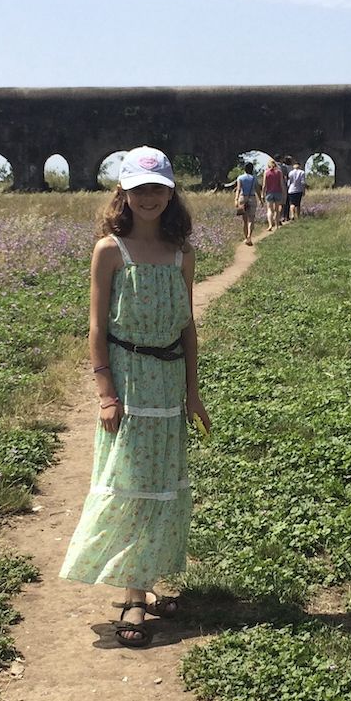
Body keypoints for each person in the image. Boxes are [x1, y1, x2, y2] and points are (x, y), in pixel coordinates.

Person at [58, 145, 212, 649]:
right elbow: (97, 327)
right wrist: (105, 391)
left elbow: (187, 327)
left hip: (168, 385)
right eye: (140, 188)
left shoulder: (181, 253)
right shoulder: (110, 250)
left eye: (159, 189)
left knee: (163, 483)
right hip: (128, 382)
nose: (149, 197)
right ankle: (133, 595)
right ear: (123, 191)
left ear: (171, 194)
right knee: (131, 483)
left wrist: (193, 393)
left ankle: (143, 582)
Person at [234, 162, 261, 245]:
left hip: (243, 198)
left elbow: (238, 189)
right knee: (251, 219)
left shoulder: (240, 178)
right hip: (252, 198)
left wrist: (236, 199)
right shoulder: (254, 178)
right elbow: (257, 190)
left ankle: (246, 238)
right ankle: (249, 236)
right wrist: (261, 199)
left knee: (244, 220)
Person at [262, 158, 286, 232]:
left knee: (270, 210)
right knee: (277, 210)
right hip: (278, 192)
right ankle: (277, 225)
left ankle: (270, 225)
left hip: (269, 193)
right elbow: (282, 184)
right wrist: (284, 192)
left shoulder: (266, 172)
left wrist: (262, 194)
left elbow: (264, 185)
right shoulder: (279, 172)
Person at [279, 155, 294, 222]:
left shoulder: (283, 167)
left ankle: (282, 216)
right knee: (288, 202)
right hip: (290, 186)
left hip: (284, 185)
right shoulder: (292, 168)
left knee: (283, 202)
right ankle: (287, 216)